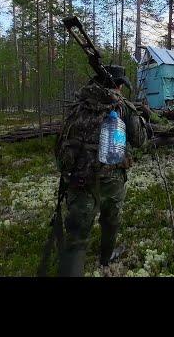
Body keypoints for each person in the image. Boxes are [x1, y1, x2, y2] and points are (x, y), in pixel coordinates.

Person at [54, 65, 149, 277]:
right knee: (110, 220)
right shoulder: (122, 106)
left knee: (77, 233)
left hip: (78, 180)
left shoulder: (79, 105)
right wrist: (144, 121)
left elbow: (60, 142)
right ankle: (106, 258)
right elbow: (140, 140)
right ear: (118, 85)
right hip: (111, 179)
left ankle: (72, 270)